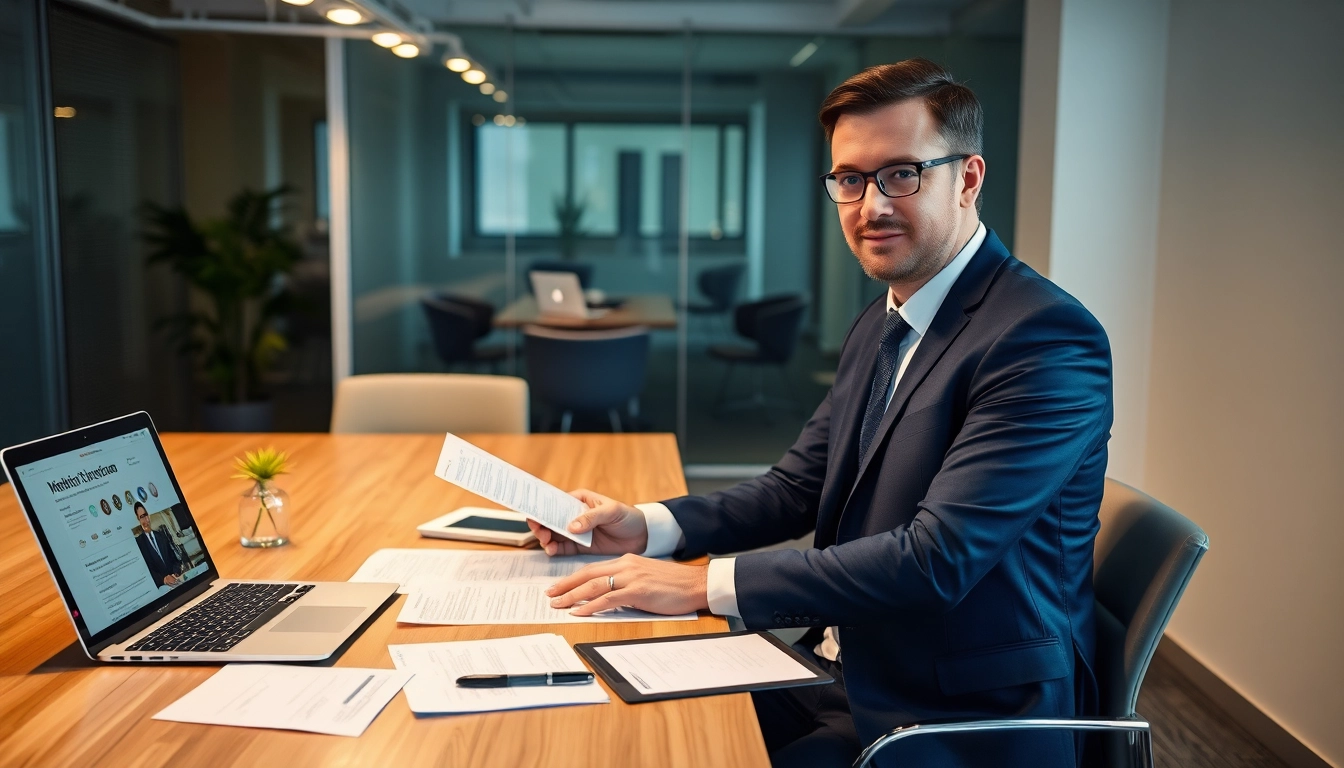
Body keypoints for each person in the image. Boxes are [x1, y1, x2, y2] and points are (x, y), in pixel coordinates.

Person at [534, 58, 1112, 768]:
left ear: (967, 178)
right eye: (849, 179)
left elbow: (936, 560)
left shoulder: (1043, 338)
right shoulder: (883, 320)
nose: (871, 206)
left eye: (903, 173)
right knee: (601, 716)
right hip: (839, 664)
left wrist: (704, 582)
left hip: (949, 712)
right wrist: (648, 526)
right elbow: (797, 488)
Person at [134, 502, 183, 587]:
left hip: (175, 580)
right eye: (142, 517)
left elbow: (174, 559)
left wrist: (175, 572)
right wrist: (163, 580)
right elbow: (145, 571)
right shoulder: (138, 543)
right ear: (137, 519)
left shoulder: (162, 536)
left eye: (146, 515)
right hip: (159, 587)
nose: (146, 520)